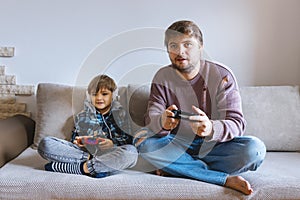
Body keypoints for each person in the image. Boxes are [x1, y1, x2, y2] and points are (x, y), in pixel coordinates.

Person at [133, 20, 266, 195]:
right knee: (144, 143)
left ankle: (179, 168)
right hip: (176, 145)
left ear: (200, 46)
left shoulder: (222, 75)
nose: (180, 52)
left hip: (215, 147)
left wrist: (211, 128)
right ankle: (221, 178)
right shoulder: (162, 76)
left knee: (255, 149)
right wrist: (162, 122)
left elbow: (237, 123)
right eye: (173, 45)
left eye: (187, 44)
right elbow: (151, 118)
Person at [38, 74, 138, 178]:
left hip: (111, 154)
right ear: (89, 96)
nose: (99, 98)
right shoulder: (82, 116)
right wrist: (81, 142)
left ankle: (81, 168)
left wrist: (112, 143)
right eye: (94, 94)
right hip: (84, 153)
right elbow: (75, 139)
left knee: (132, 153)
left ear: (113, 95)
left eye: (104, 94)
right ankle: (97, 167)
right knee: (45, 144)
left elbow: (128, 139)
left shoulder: (121, 115)